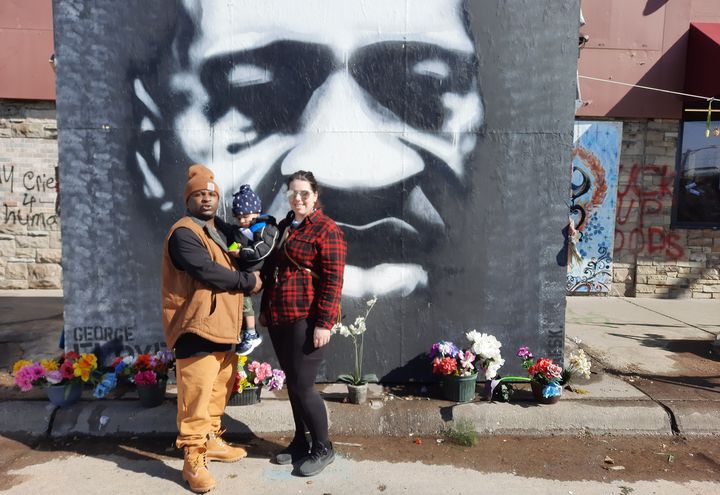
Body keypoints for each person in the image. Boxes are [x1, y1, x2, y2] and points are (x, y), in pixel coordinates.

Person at [161, 164, 263, 493]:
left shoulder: (218, 228)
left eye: (211, 193)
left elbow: (249, 243)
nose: (206, 198)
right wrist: (249, 282)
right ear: (188, 199)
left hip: (225, 326)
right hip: (195, 328)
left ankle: (212, 440)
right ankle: (193, 457)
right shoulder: (183, 233)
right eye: (199, 194)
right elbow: (208, 272)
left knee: (218, 391)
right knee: (196, 396)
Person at [259, 170, 346, 477]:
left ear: (315, 196)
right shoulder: (283, 226)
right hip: (281, 316)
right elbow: (271, 271)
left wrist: (324, 323)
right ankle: (301, 442)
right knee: (293, 387)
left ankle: (323, 447)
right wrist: (265, 309)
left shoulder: (326, 229)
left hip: (306, 319)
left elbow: (334, 280)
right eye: (293, 193)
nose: (298, 198)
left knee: (303, 385)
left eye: (304, 193)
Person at [229, 184, 279, 356]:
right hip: (249, 272)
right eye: (238, 217)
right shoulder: (247, 229)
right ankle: (247, 330)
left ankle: (251, 333)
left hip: (262, 272)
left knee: (244, 299)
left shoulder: (266, 228)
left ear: (257, 212)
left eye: (246, 216)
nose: (242, 220)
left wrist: (241, 252)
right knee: (241, 299)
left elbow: (261, 250)